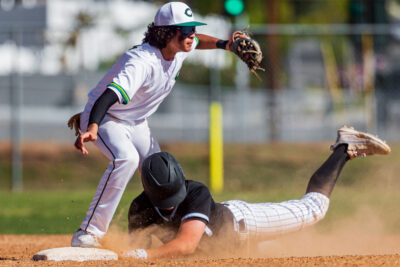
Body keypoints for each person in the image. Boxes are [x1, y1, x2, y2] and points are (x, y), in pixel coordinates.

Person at [70, 2, 247, 247]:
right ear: (167, 33)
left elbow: (199, 41)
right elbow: (108, 97)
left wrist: (225, 45)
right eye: (186, 31)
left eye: (192, 29)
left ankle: (170, 231)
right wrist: (92, 128)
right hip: (106, 117)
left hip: (136, 121)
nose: (191, 35)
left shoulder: (178, 48)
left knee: (163, 175)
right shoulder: (142, 61)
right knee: (126, 159)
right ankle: (88, 233)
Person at [123, 126, 390, 260]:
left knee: (314, 210)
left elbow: (186, 244)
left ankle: (344, 147)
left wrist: (144, 256)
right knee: (277, 253)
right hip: (230, 250)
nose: (171, 205)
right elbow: (138, 249)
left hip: (244, 223)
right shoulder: (140, 209)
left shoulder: (195, 192)